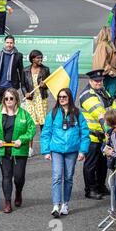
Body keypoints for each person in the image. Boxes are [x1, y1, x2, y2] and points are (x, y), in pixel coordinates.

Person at [41, 88, 90, 218]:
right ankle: (56, 205)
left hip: (72, 151)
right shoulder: (53, 113)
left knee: (68, 177)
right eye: (60, 96)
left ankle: (65, 204)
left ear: (69, 98)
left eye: (64, 96)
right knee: (57, 176)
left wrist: (83, 151)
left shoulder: (78, 113)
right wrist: (46, 151)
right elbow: (46, 133)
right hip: (56, 150)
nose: (61, 99)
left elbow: (85, 134)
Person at [0, 88, 36, 213]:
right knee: (6, 176)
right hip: (4, 151)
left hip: (19, 151)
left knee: (18, 177)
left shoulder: (24, 114)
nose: (8, 101)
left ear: (16, 100)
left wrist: (22, 139)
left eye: (11, 98)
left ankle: (18, 193)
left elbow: (32, 129)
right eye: (6, 98)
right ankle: (7, 203)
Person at [80, 69, 116, 200]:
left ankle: (100, 186)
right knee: (91, 164)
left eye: (100, 81)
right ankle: (90, 189)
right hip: (92, 136)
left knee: (102, 164)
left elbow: (113, 106)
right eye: (96, 81)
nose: (98, 83)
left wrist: (115, 116)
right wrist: (111, 126)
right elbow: (100, 114)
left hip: (104, 136)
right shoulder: (87, 95)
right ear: (90, 81)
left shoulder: (102, 91)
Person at [22, 50, 50, 157]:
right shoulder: (25, 70)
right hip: (30, 100)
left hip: (41, 99)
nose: (40, 60)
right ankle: (30, 148)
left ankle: (45, 147)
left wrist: (44, 85)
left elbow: (49, 84)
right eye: (38, 58)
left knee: (43, 124)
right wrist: (26, 93)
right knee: (31, 124)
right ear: (32, 59)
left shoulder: (45, 69)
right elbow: (23, 84)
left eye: (41, 58)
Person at [0, 35, 24, 102]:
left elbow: (21, 71)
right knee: (2, 106)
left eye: (11, 43)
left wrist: (23, 85)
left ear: (14, 43)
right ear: (4, 43)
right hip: (0, 85)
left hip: (12, 86)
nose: (9, 45)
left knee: (12, 105)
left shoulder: (18, 55)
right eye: (7, 42)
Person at [92, 26, 116, 99]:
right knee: (110, 92)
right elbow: (101, 61)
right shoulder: (103, 45)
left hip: (106, 71)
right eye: (110, 32)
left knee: (107, 91)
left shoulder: (104, 44)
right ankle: (110, 106)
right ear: (107, 34)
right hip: (107, 72)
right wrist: (109, 70)